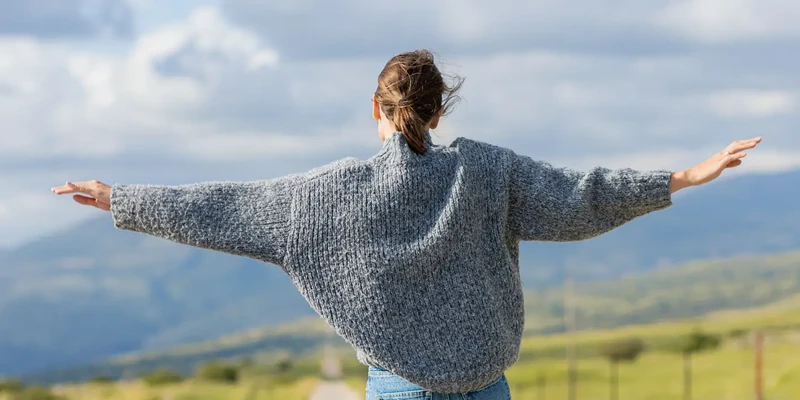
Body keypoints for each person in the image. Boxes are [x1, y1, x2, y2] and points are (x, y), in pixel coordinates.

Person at [52, 49, 761, 399]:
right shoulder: (488, 172)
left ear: (376, 109)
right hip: (487, 386)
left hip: (398, 390)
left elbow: (225, 208)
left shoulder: (327, 195)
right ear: (439, 109)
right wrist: (683, 177)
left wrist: (123, 199)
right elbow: (585, 196)